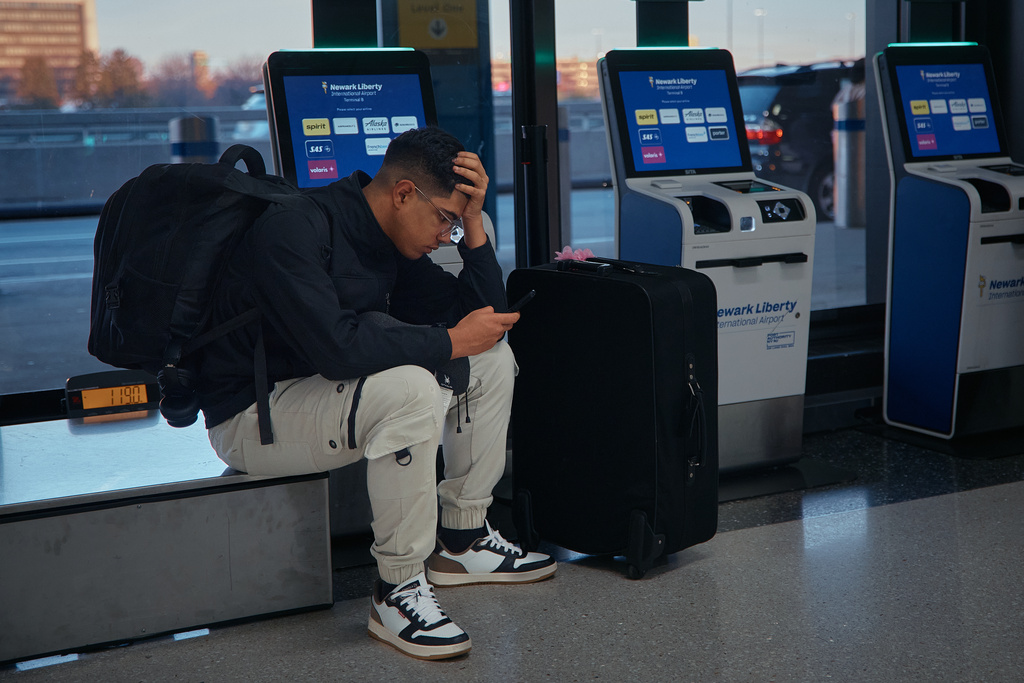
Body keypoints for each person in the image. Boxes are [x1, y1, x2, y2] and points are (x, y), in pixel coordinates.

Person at [196, 126, 556, 661]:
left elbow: (480, 321)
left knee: (489, 359)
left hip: (321, 395)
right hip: (252, 415)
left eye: (455, 226)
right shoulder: (295, 227)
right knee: (412, 386)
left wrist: (475, 224)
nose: (445, 236)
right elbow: (337, 348)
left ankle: (461, 539)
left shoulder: (387, 239)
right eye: (445, 220)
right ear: (404, 193)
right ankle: (398, 588)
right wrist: (452, 340)